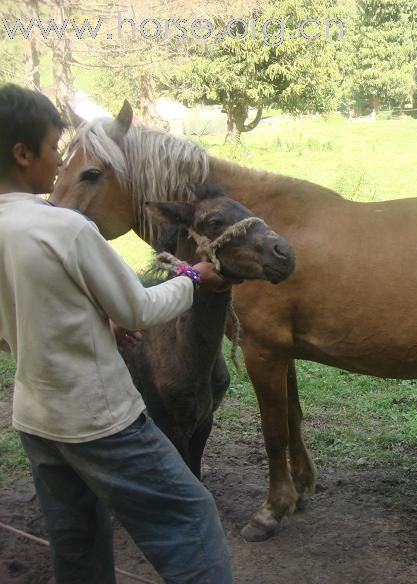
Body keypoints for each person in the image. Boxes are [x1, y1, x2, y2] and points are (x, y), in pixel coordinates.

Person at [0, 84, 233, 583]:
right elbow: (141, 308)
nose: (60, 165)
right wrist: (193, 278)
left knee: (77, 541)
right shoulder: (66, 228)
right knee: (192, 516)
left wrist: (90, 320)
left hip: (35, 419)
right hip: (98, 419)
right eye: (54, 150)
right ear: (23, 154)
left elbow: (19, 314)